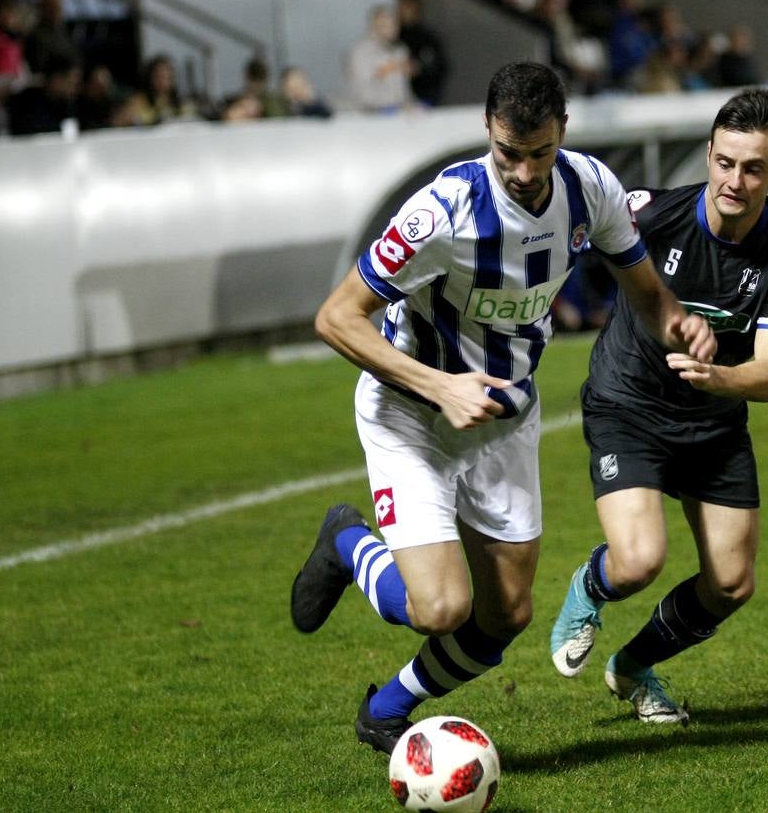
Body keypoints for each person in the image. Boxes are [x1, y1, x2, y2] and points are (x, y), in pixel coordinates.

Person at [289, 61, 716, 758]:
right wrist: (439, 385)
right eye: (508, 153)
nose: (522, 170)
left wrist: (678, 322)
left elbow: (643, 288)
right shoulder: (440, 211)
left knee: (505, 616)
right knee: (440, 609)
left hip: (506, 422)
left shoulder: (590, 188)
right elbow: (337, 318)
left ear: (563, 134)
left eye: (538, 153)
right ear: (488, 130)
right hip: (411, 417)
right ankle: (347, 542)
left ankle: (386, 710)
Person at [549, 87, 768, 723]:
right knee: (640, 561)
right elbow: (561, 234)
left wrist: (716, 377)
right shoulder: (653, 216)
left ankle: (635, 667)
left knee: (731, 583)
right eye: (725, 162)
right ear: (708, 155)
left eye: (754, 168)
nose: (735, 180)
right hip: (628, 405)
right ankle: (590, 587)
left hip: (714, 422)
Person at [343, 3, 413, 113]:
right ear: (373, 25)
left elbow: (403, 86)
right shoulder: (359, 52)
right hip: (369, 113)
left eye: (394, 24)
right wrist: (384, 71)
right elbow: (361, 88)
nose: (391, 28)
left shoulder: (400, 50)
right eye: (384, 24)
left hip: (399, 111)